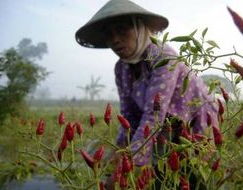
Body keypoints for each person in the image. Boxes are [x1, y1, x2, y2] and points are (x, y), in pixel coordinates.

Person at [75, 0, 218, 188]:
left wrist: (126, 166)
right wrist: (119, 152)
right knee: (161, 177)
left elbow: (154, 114)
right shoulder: (122, 68)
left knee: (189, 176)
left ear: (140, 28)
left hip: (192, 125)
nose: (115, 39)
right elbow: (129, 116)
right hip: (162, 128)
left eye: (122, 30)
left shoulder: (158, 55)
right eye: (109, 35)